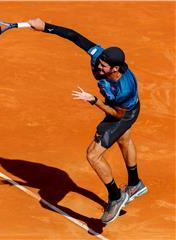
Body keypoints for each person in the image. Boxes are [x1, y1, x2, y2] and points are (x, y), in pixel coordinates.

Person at [28, 18, 148, 224]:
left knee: (93, 155)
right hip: (120, 107)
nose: (98, 66)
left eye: (104, 66)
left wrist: (93, 100)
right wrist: (45, 27)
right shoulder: (99, 55)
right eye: (99, 62)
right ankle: (135, 183)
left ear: (116, 69)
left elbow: (117, 115)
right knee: (123, 138)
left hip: (123, 112)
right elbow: (74, 36)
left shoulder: (124, 89)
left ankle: (116, 197)